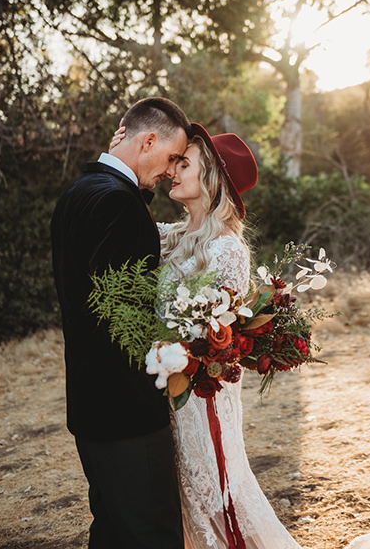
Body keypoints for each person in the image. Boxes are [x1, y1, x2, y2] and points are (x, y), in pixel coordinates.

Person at [110, 121, 304, 549]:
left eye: (184, 163)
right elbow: (123, 220)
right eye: (173, 161)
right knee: (184, 504)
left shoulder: (227, 249)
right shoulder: (172, 236)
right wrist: (123, 160)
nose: (172, 171)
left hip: (203, 403)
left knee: (218, 499)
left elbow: (220, 337)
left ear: (212, 179)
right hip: (166, 397)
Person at [50, 97, 191, 549]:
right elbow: (125, 323)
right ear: (148, 140)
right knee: (153, 536)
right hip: (127, 414)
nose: (172, 171)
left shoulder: (78, 194)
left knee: (112, 533)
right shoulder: (119, 205)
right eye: (171, 157)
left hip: (91, 409)